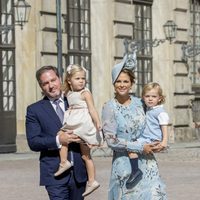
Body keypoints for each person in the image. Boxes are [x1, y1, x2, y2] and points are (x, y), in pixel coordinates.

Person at [102, 54, 167, 199]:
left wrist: (161, 142)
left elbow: (157, 118)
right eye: (118, 81)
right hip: (125, 165)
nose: (122, 85)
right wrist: (139, 147)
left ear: (131, 83)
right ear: (113, 83)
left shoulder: (141, 103)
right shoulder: (109, 107)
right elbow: (111, 141)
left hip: (148, 162)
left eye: (126, 81)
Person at [26, 65, 87, 200]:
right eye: (45, 83)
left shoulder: (75, 101)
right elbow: (33, 142)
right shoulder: (34, 110)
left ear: (60, 79)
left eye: (53, 80)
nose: (51, 86)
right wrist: (59, 140)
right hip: (54, 174)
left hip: (79, 172)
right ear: (41, 87)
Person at [54, 64, 102, 197]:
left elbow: (92, 108)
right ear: (69, 80)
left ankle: (64, 162)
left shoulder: (85, 92)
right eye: (78, 78)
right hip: (76, 122)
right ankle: (91, 180)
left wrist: (97, 122)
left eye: (83, 78)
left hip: (81, 123)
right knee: (85, 155)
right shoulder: (68, 93)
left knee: (62, 135)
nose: (81, 81)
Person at [141, 82, 169, 148]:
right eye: (147, 96)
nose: (150, 99)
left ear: (159, 98)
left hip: (153, 139)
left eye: (154, 96)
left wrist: (164, 141)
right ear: (143, 97)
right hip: (145, 138)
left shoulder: (160, 112)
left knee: (132, 149)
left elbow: (164, 127)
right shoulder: (148, 108)